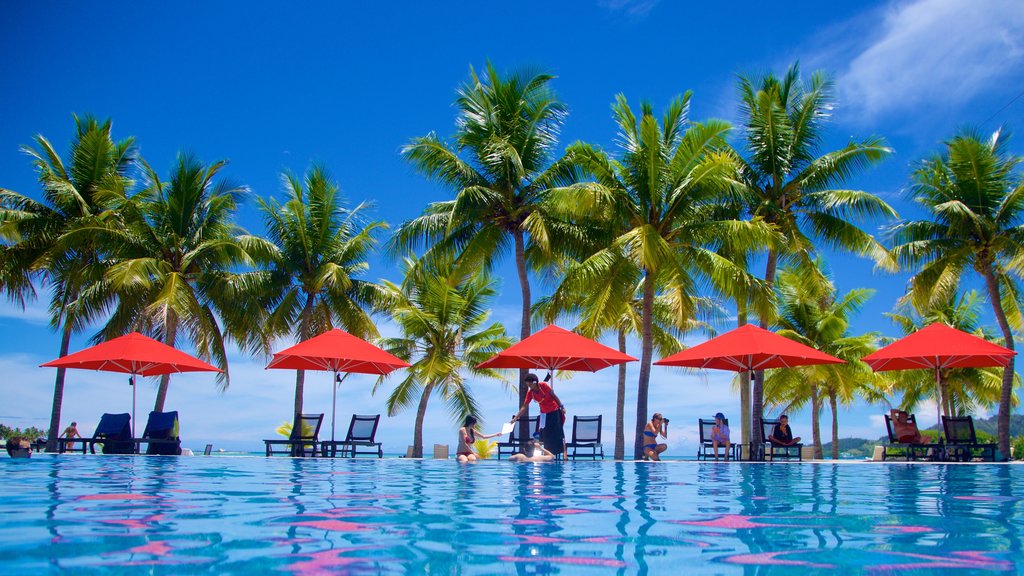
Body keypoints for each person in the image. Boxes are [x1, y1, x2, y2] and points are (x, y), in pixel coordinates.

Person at [510, 373, 566, 459]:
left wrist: (562, 407)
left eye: (530, 384)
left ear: (535, 382)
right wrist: (516, 417)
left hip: (554, 412)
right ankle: (548, 457)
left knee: (556, 435)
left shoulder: (544, 386)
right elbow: (524, 407)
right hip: (544, 414)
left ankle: (559, 457)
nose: (529, 386)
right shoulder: (530, 393)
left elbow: (554, 397)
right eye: (527, 384)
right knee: (546, 436)